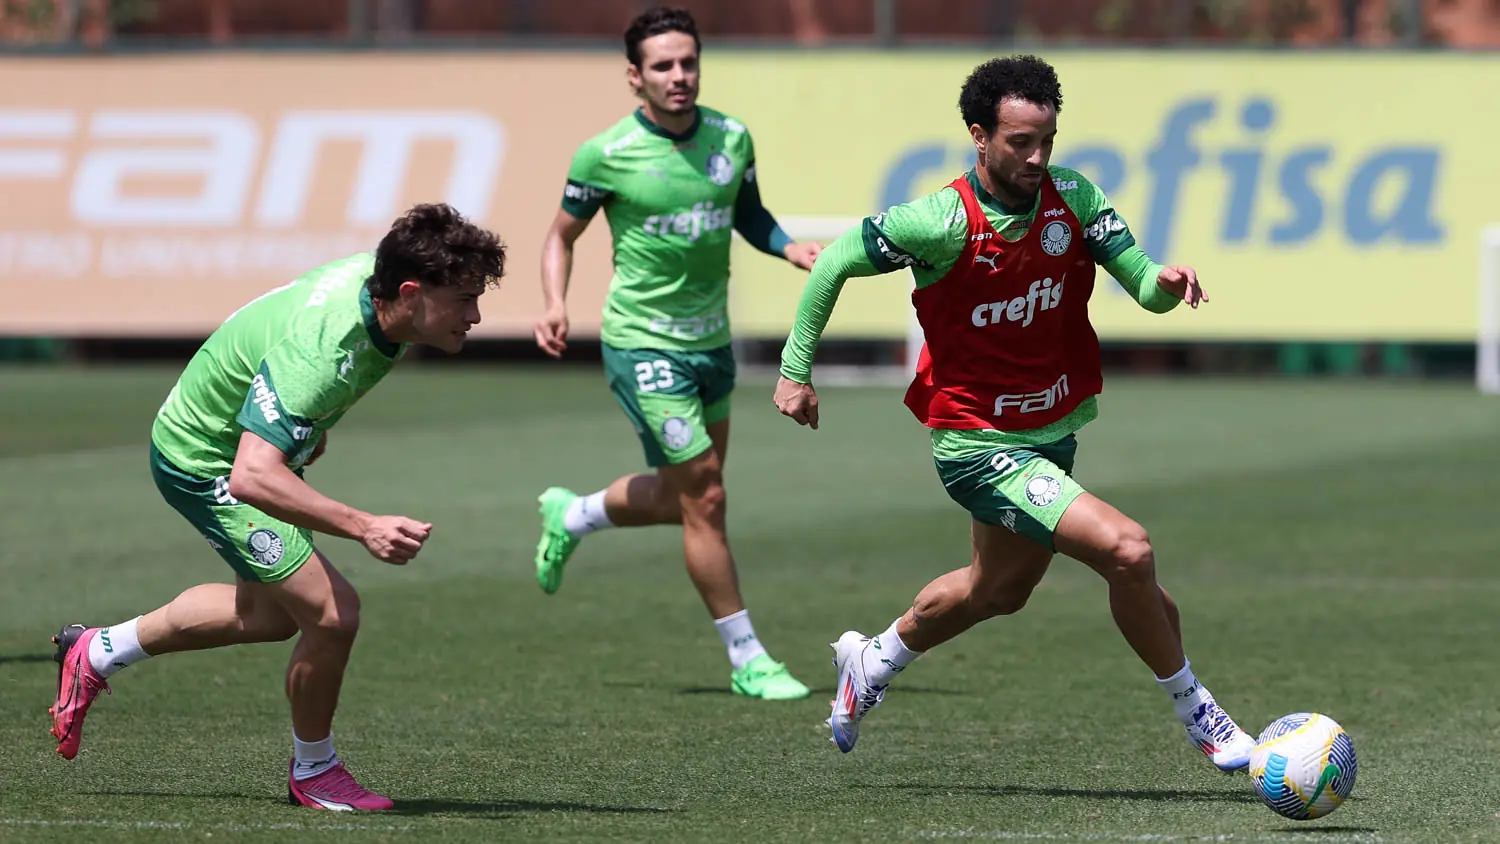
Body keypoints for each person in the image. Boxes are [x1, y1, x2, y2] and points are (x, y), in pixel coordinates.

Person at [773, 55, 1257, 771]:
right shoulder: (939, 220)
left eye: (1046, 142)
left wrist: (1167, 282)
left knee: (996, 591)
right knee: (1129, 552)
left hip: (1050, 435)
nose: (1036, 157)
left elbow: (1143, 286)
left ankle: (871, 663)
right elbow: (836, 258)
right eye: (1019, 143)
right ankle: (1201, 715)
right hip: (975, 443)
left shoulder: (1076, 200)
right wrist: (794, 372)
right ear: (979, 136)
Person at [48, 203, 507, 810]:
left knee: (268, 616)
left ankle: (98, 651)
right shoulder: (327, 347)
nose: (475, 316)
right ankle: (314, 773)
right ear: (410, 292)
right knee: (333, 613)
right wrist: (364, 525)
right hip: (206, 460)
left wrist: (298, 428)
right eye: (464, 300)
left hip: (239, 442)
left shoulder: (380, 298)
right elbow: (252, 477)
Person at [530, 6, 821, 701]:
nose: (679, 75)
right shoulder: (605, 154)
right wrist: (554, 303)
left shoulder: (730, 136)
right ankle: (748, 657)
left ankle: (573, 515)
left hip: (710, 346)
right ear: (636, 77)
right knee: (708, 495)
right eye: (662, 65)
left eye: (688, 62)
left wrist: (788, 247)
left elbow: (747, 213)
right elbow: (559, 236)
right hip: (642, 342)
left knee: (683, 497)